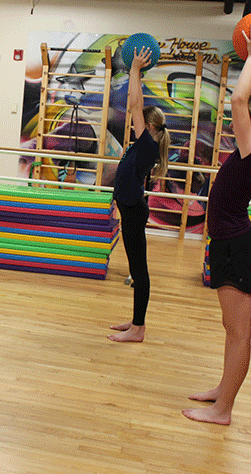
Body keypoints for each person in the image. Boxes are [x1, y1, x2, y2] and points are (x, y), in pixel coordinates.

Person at [183, 21, 251, 425]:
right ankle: (222, 391)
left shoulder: (250, 152)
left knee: (240, 333)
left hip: (236, 247)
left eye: (245, 117)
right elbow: (243, 104)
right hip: (228, 244)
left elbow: (239, 100)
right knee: (231, 328)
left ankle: (223, 410)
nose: (235, 117)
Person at [108, 46, 170, 343]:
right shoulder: (144, 144)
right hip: (131, 207)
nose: (135, 124)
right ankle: (135, 322)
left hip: (133, 210)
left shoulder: (147, 144)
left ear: (151, 126)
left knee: (139, 270)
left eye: (141, 122)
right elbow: (135, 107)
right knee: (136, 268)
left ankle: (139, 328)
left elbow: (134, 103)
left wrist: (134, 70)